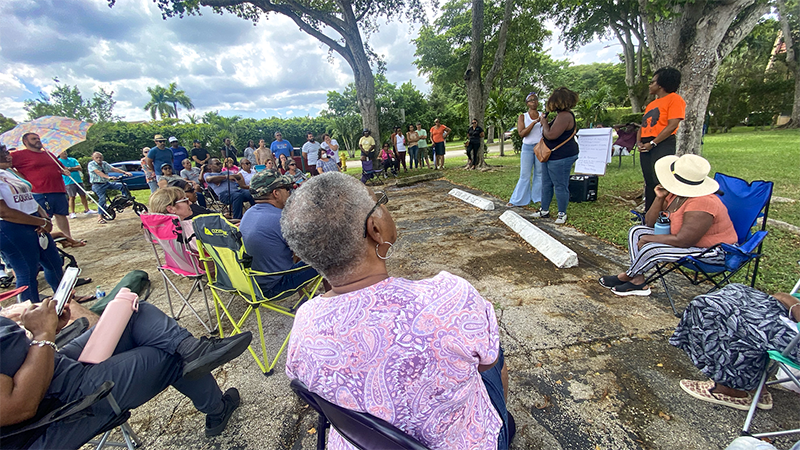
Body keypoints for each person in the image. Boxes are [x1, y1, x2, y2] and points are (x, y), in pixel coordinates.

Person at [282, 173, 514, 450]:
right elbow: (486, 365)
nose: (384, 206)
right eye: (379, 201)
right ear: (375, 229)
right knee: (493, 355)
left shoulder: (304, 324)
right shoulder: (451, 297)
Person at [0, 295, 253, 449]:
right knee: (167, 352)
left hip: (55, 364)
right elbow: (18, 407)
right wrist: (43, 334)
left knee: (129, 309)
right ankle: (217, 409)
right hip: (60, 408)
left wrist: (46, 328)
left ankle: (193, 348)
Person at [598, 154, 737, 296]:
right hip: (681, 241)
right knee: (636, 231)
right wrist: (660, 198)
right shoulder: (676, 194)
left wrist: (648, 239)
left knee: (652, 248)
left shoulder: (703, 202)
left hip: (712, 251)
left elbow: (684, 240)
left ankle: (629, 275)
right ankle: (638, 280)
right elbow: (649, 223)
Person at [669, 284, 800, 411]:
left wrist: (792, 304)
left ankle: (730, 389)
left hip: (794, 338)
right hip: (793, 328)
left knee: (709, 306)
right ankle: (755, 383)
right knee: (736, 290)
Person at [239, 170, 320, 298]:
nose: (290, 192)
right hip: (275, 287)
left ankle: (305, 297)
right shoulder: (282, 219)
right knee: (329, 253)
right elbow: (311, 248)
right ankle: (333, 298)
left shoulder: (249, 213)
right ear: (276, 193)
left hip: (252, 284)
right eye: (287, 188)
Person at [0, 145, 63, 304]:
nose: (9, 155)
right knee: (27, 271)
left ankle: (66, 299)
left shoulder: (8, 172)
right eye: (5, 153)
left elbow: (29, 197)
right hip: (11, 228)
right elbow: (4, 212)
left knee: (53, 262)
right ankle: (31, 312)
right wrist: (40, 221)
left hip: (35, 220)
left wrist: (44, 217)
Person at [637, 67, 686, 212]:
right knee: (649, 180)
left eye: (652, 82)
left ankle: (663, 213)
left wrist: (653, 143)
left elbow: (672, 125)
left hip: (661, 143)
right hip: (646, 144)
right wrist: (639, 142)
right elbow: (643, 125)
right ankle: (648, 213)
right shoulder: (652, 104)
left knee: (660, 179)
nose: (650, 85)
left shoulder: (675, 100)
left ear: (661, 85)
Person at [531, 87, 580, 225]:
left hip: (561, 156)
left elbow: (551, 135)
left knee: (560, 184)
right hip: (551, 155)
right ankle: (544, 210)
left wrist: (544, 123)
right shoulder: (560, 115)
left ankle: (562, 213)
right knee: (546, 183)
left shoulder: (565, 116)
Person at [11, 133, 73, 239]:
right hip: (39, 191)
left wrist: (65, 171)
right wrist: (19, 177)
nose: (38, 140)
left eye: (38, 138)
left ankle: (68, 238)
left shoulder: (48, 154)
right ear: (25, 142)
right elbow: (6, 166)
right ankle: (46, 240)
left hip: (58, 189)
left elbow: (61, 167)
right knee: (44, 218)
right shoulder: (18, 155)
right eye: (34, 139)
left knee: (61, 215)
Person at [508, 92, 544, 208]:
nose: (534, 101)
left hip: (539, 147)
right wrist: (534, 123)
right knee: (525, 174)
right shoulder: (523, 116)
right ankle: (517, 199)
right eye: (531, 100)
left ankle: (538, 197)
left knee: (539, 173)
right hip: (527, 148)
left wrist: (543, 121)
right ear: (527, 103)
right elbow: (522, 133)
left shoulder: (542, 115)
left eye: (536, 99)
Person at [88, 152, 132, 224]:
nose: (99, 159)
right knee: (102, 199)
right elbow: (98, 172)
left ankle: (125, 200)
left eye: (100, 157)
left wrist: (125, 172)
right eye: (97, 157)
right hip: (97, 185)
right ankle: (100, 217)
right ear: (93, 158)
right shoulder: (91, 164)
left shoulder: (104, 163)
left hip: (106, 183)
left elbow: (113, 169)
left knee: (123, 185)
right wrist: (108, 177)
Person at [58, 149, 92, 218]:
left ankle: (87, 209)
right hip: (69, 181)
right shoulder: (58, 161)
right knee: (72, 197)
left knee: (83, 195)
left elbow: (79, 167)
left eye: (65, 151)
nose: (64, 153)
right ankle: (72, 212)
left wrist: (70, 168)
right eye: (63, 152)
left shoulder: (72, 159)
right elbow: (62, 169)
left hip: (78, 180)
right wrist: (72, 168)